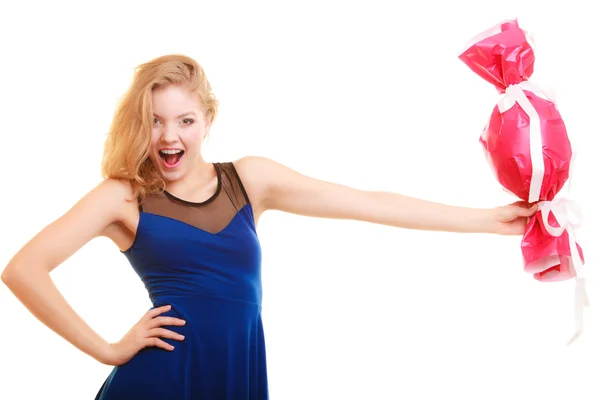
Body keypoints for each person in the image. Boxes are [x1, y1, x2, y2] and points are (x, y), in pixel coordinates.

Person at [1, 54, 537, 400]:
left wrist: (487, 221)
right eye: (156, 121)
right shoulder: (124, 196)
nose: (170, 136)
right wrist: (108, 349)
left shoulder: (249, 181)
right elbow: (23, 269)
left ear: (207, 121)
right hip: (162, 383)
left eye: (185, 120)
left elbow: (366, 202)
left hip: (236, 376)